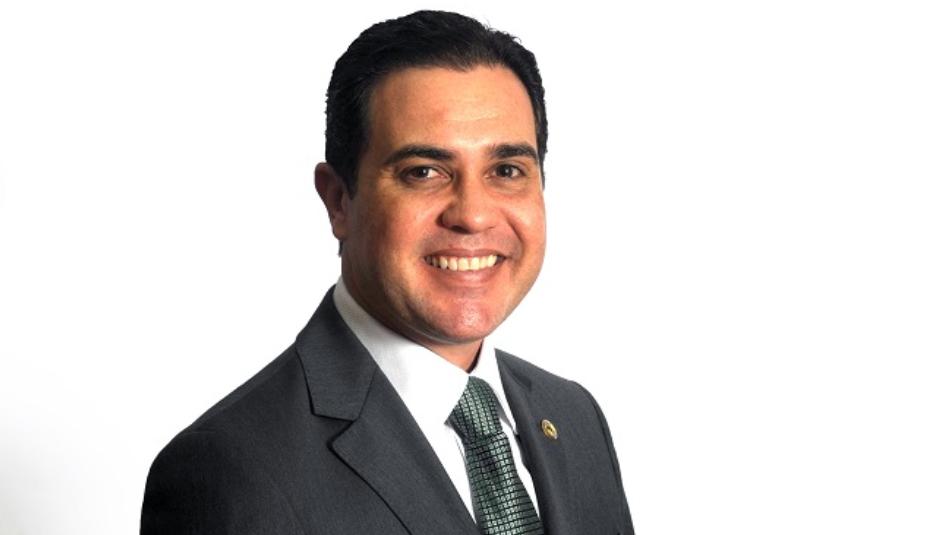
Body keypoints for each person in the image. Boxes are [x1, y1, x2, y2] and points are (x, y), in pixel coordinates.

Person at [141, 10, 634, 534]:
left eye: (506, 170)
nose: (473, 215)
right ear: (339, 201)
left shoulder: (574, 416)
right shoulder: (232, 470)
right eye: (423, 172)